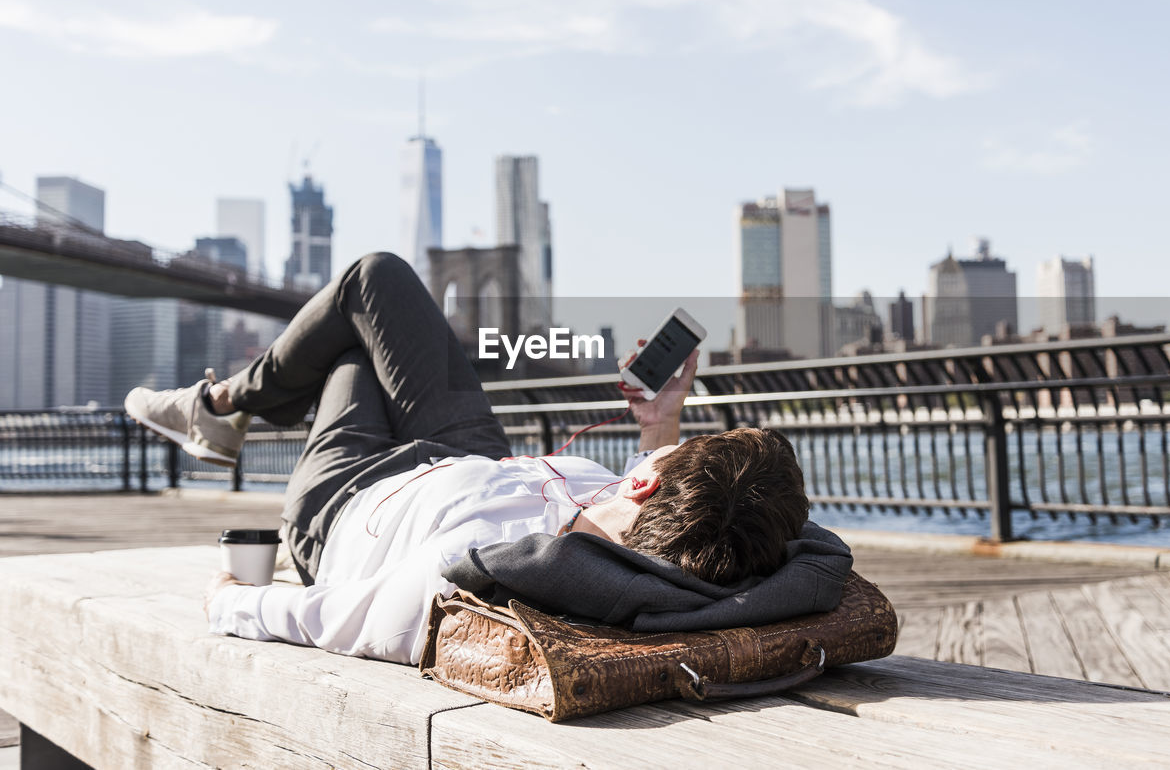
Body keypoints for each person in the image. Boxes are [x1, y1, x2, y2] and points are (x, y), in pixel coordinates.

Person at [126, 253, 851, 666]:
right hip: (470, 452)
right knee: (377, 284)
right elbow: (687, 514)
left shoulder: (477, 564)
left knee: (351, 334)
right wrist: (663, 419)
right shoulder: (649, 529)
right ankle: (220, 406)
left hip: (348, 500)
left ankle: (218, 407)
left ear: (647, 477)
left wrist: (230, 599)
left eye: (673, 446)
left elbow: (334, 618)